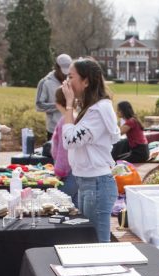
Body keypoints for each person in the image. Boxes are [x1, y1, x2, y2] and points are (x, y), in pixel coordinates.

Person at [57, 58, 119, 243]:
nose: (66, 82)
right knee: (89, 242)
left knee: (98, 245)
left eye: (71, 77)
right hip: (88, 182)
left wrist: (68, 105)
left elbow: (70, 140)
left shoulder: (99, 111)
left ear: (86, 81)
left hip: (97, 184)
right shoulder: (92, 108)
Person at [36, 53, 72, 141]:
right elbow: (39, 105)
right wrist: (60, 105)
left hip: (72, 129)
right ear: (56, 67)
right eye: (63, 71)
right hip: (54, 130)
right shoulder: (45, 82)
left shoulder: (72, 79)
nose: (65, 75)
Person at [50, 89, 77, 200]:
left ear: (57, 103)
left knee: (63, 207)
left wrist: (58, 173)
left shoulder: (65, 120)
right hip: (76, 170)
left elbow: (64, 150)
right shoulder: (76, 116)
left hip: (68, 173)